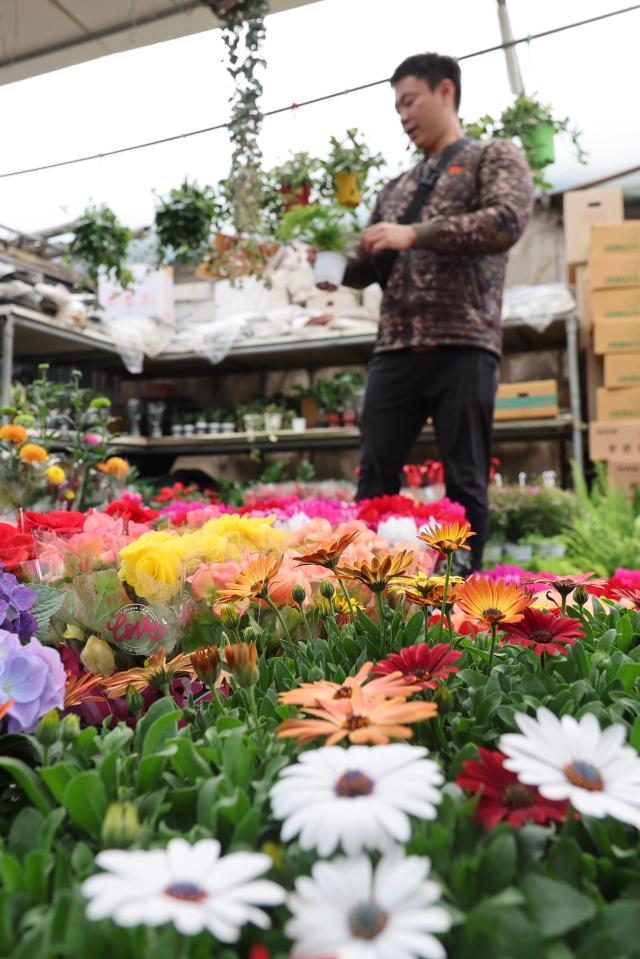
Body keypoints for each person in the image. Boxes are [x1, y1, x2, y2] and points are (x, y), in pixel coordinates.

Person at [342, 52, 533, 571]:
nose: (403, 115)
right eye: (397, 107)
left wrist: (415, 233)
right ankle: (369, 583)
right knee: (374, 473)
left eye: (410, 101)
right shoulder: (395, 188)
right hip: (395, 349)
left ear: (445, 91)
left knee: (465, 478)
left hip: (463, 342)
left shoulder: (493, 156)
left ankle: (465, 589)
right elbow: (365, 265)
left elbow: (506, 220)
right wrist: (317, 262)